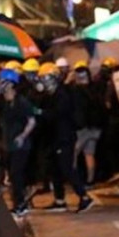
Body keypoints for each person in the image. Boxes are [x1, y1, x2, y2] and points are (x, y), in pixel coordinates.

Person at [35, 62, 94, 213]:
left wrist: (40, 113)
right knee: (55, 168)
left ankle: (84, 197)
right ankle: (59, 200)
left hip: (64, 136)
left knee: (67, 167)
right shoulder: (51, 95)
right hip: (55, 137)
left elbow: (57, 114)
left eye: (46, 78)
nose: (43, 82)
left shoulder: (62, 94)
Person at [0, 69, 37, 217]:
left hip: (21, 144)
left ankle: (20, 204)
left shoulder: (21, 102)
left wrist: (22, 136)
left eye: (2, 81)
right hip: (8, 144)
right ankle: (21, 199)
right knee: (12, 175)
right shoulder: (3, 102)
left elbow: (31, 121)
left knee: (16, 174)